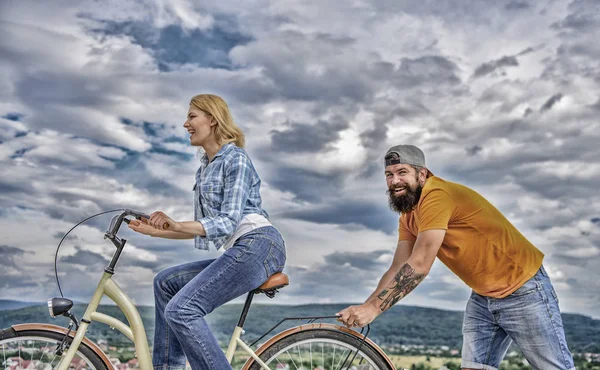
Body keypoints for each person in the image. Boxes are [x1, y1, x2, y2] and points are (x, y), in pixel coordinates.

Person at [337, 144, 574, 370]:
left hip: (523, 289)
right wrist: (367, 306)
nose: (395, 181)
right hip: (483, 296)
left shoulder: (437, 195)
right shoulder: (408, 216)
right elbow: (398, 267)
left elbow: (419, 265)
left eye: (402, 172)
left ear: (422, 174)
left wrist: (375, 309)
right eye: (389, 174)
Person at [128, 94, 286, 370]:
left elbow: (225, 223)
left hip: (259, 245)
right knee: (166, 282)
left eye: (192, 116)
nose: (185, 123)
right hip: (241, 250)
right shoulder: (204, 170)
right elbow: (203, 228)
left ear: (212, 119)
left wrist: (175, 224)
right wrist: (154, 232)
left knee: (182, 310)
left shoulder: (236, 158)